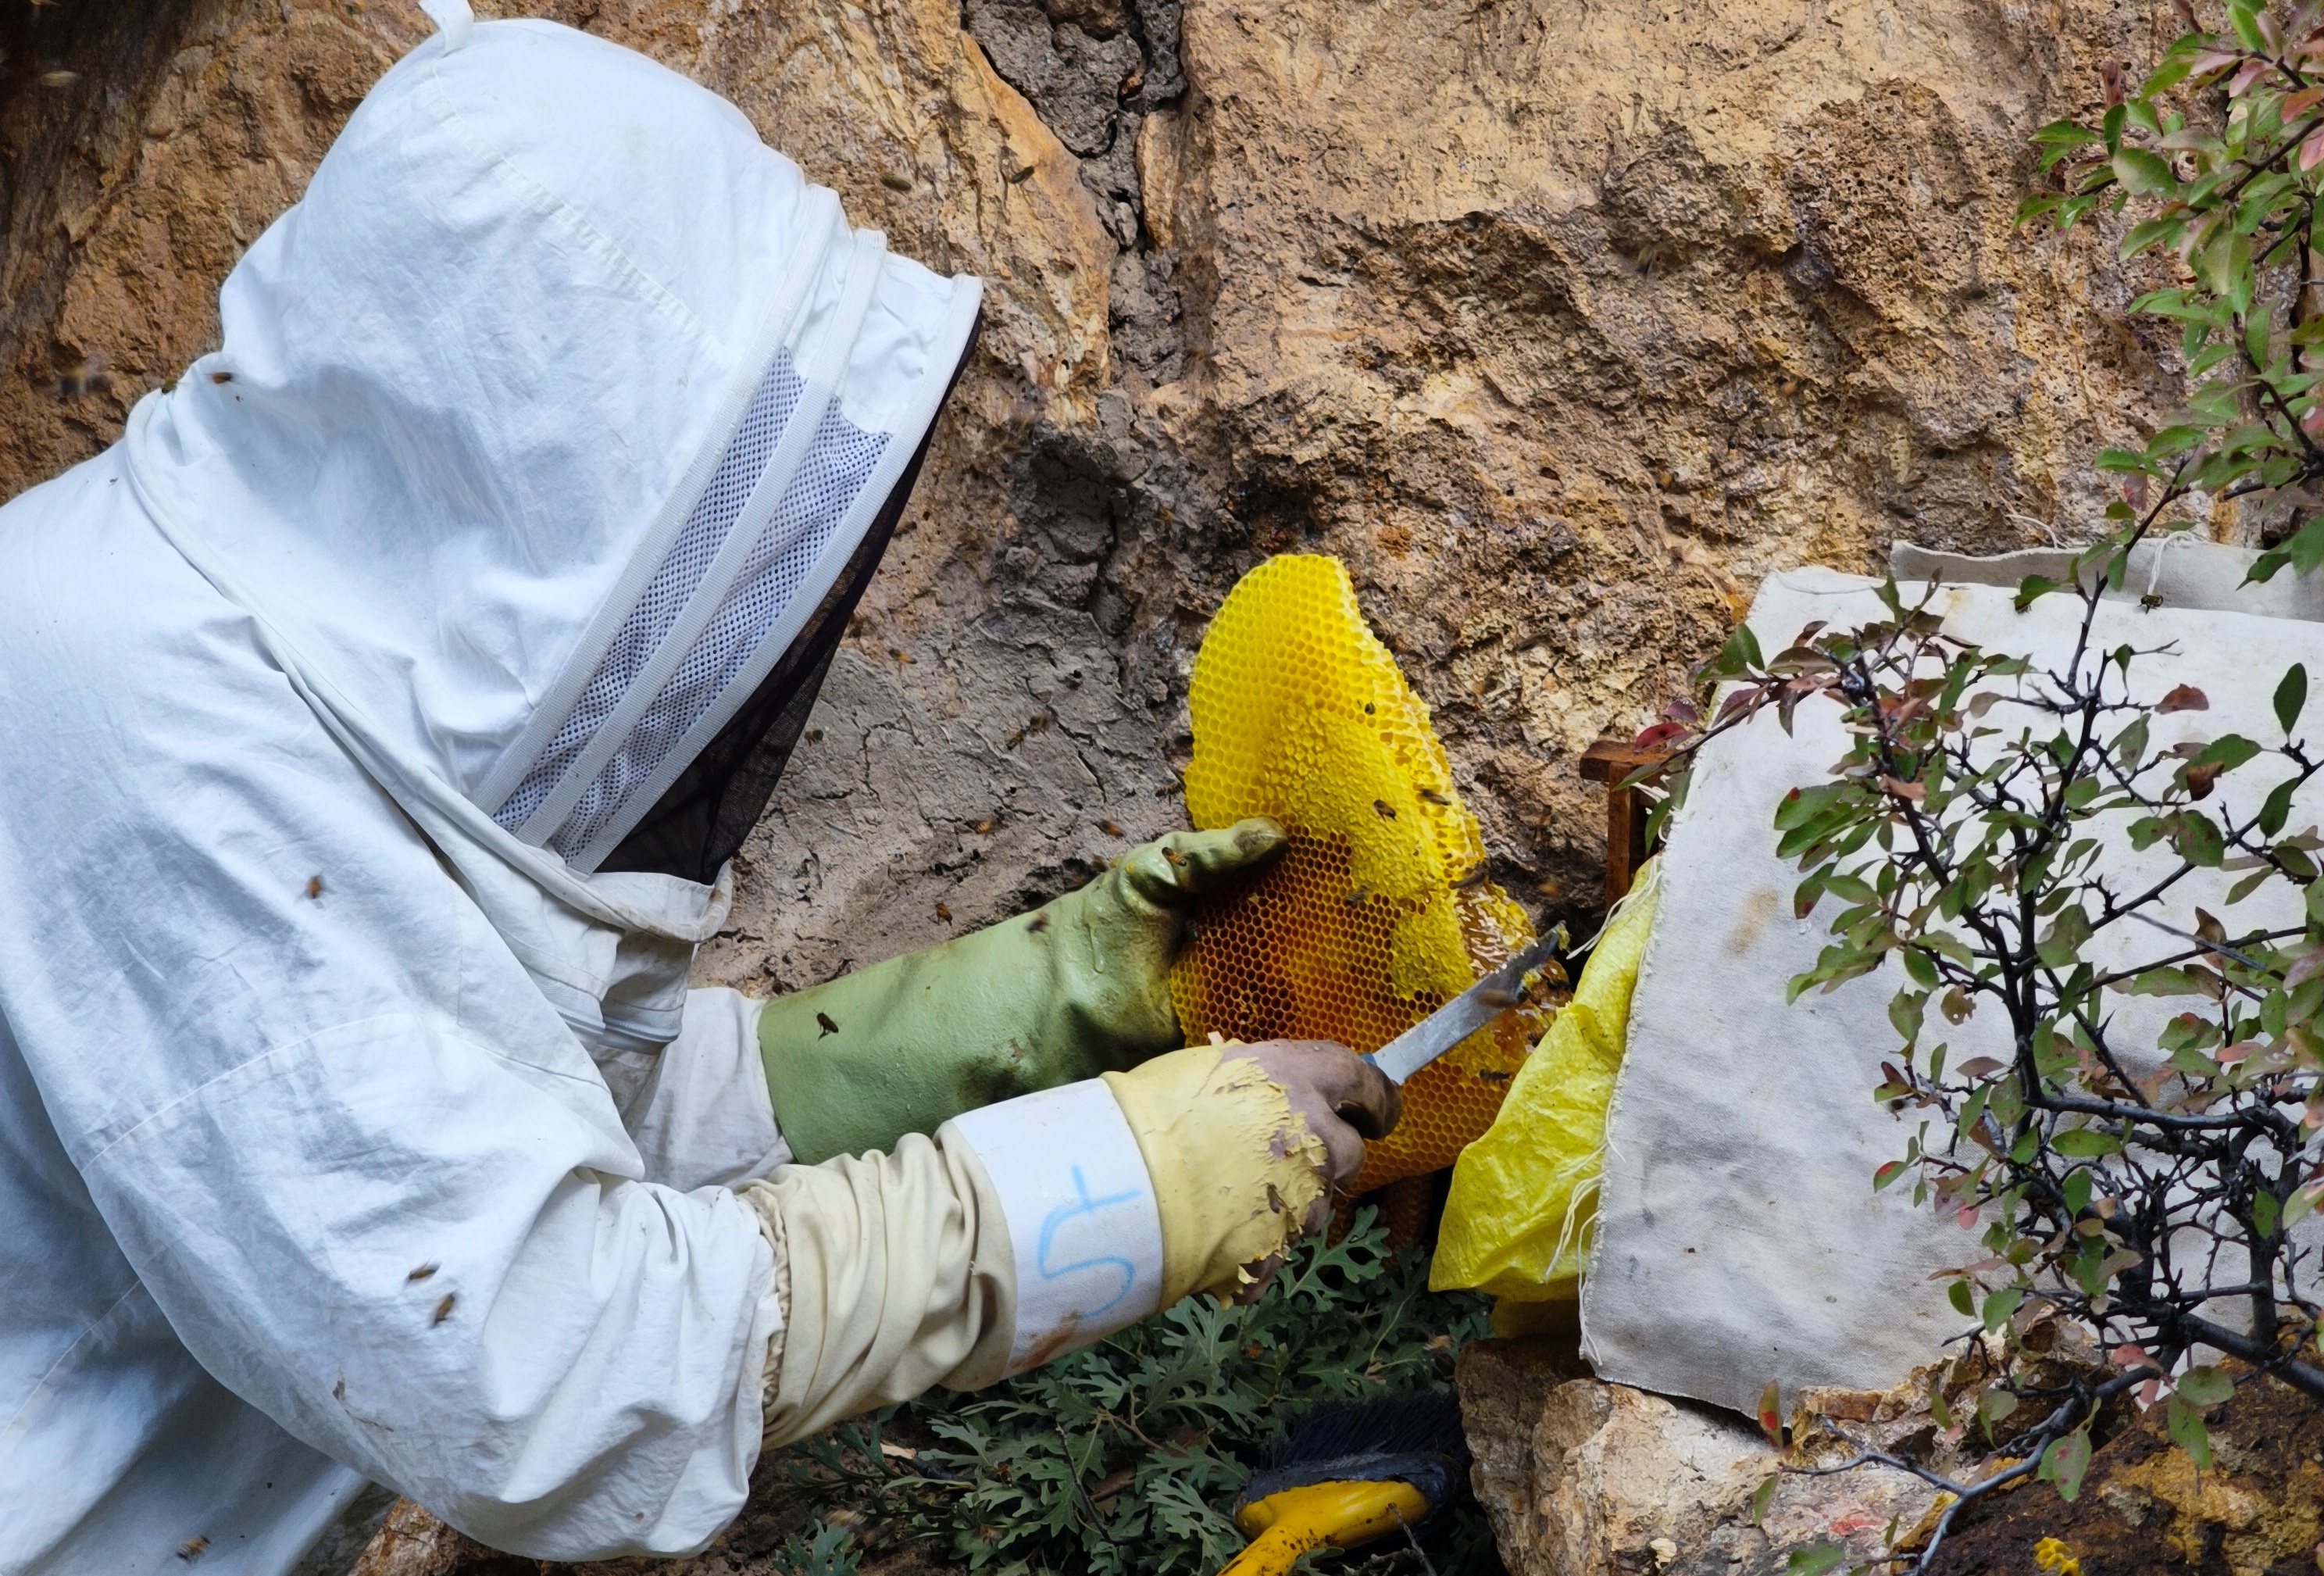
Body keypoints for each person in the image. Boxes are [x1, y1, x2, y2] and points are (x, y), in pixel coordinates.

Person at [0, 5, 1400, 1571]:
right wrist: (1114, 1191)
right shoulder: (138, 752)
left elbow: (470, 1107)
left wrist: (1012, 1011)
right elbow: (563, 1369)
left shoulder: (203, 649)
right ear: (545, 482)